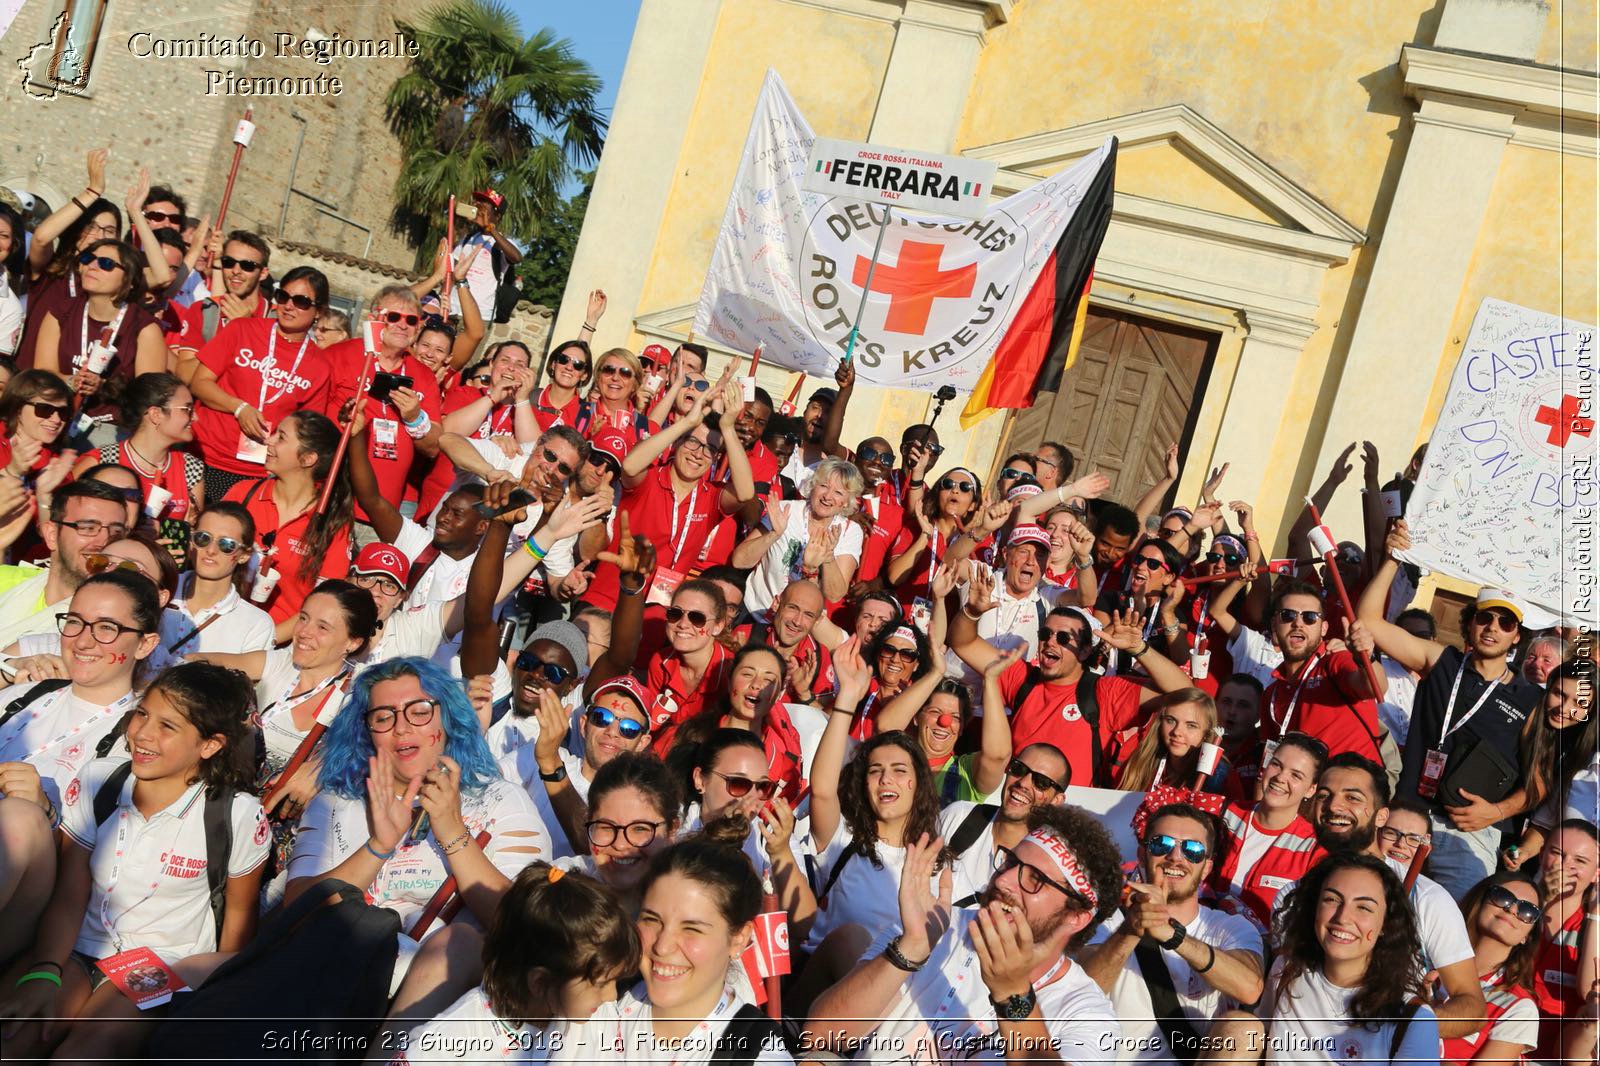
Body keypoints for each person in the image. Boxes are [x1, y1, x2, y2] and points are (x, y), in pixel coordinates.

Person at [0, 662, 267, 1060]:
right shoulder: (99, 780)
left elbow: (238, 927)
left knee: (86, 1052)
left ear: (210, 745)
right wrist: (44, 971)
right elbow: (71, 894)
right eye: (142, 714)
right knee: (14, 1037)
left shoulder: (238, 814)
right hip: (75, 950)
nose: (142, 734)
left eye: (168, 726)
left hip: (164, 963)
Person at [284, 656, 547, 988]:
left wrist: (453, 833)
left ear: (448, 718)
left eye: (420, 711)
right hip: (326, 983)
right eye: (383, 717)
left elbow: (527, 930)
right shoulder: (336, 802)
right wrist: (377, 848)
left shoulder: (499, 800)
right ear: (366, 732)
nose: (402, 727)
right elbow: (294, 915)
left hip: (438, 1003)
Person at [805, 806, 1125, 1064]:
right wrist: (909, 950)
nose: (1004, 881)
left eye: (1035, 879)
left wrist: (1014, 996)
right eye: (1011, 862)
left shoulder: (1084, 1012)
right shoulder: (937, 925)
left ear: (1077, 917)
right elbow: (820, 1037)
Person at [1360, 524, 1542, 895]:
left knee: (1452, 930)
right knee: (1382, 910)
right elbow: (1369, 623)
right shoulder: (1440, 660)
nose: (1493, 628)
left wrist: (1498, 812)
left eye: (1505, 622)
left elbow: (1542, 780)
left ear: (1516, 635)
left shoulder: (1531, 699)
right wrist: (1393, 559)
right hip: (1408, 816)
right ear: (1471, 621)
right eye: (1485, 617)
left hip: (1470, 832)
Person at [0, 571, 162, 964]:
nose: (83, 640)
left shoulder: (139, 738)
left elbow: (104, 864)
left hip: (35, 900)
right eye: (74, 621)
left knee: (19, 819)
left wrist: (46, 810)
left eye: (107, 628)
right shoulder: (22, 695)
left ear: (145, 644)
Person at [794, 639, 949, 1004]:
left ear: (918, 783)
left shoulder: (935, 861)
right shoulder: (842, 838)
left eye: (899, 771)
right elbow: (823, 791)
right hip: (821, 997)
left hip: (899, 1010)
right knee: (852, 939)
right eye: (875, 771)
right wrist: (847, 698)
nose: (886, 780)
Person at [557, 835, 791, 1065]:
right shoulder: (593, 1005)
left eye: (692, 929)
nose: (662, 945)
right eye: (651, 919)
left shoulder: (755, 1058)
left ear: (739, 939)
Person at [1308, 754, 1486, 1037]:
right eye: (1324, 795)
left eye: (1352, 797)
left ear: (1381, 816)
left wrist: (1401, 1022)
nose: (1334, 805)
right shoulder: (1298, 891)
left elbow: (1472, 1009)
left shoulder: (1427, 898)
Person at [390, 862, 639, 1064]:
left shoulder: (589, 1019)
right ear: (539, 981)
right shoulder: (447, 1046)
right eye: (601, 984)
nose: (610, 997)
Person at [1081, 803, 1267, 1064]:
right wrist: (1132, 930)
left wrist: (1172, 934)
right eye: (1162, 844)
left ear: (1207, 867)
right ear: (1142, 854)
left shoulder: (1230, 926)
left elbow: (1250, 988)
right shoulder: (1107, 922)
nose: (1176, 857)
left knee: (1244, 1030)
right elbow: (1078, 991)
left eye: (1192, 850)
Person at [947, 600, 1193, 789]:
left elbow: (1187, 695)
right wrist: (971, 612)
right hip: (1017, 799)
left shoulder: (1104, 692)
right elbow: (963, 643)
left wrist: (1140, 649)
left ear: (1085, 651)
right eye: (1045, 635)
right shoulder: (1022, 678)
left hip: (1072, 817)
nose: (1050, 642)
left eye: (1064, 638)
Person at [1259, 853, 1440, 1065]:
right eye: (1331, 899)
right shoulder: (1286, 971)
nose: (1343, 917)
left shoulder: (1413, 1017)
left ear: (1386, 924)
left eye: (1363, 907)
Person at [186, 266, 332, 501]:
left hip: (258, 473)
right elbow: (200, 383)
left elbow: (305, 431)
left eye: (301, 301)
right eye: (283, 297)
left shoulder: (320, 365)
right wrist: (239, 408)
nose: (289, 306)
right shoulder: (242, 329)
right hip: (203, 454)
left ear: (319, 311)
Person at [322, 285, 444, 547]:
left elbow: (433, 446)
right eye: (393, 317)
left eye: (411, 320)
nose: (403, 325)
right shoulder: (339, 355)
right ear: (374, 317)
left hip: (382, 512)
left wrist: (414, 417)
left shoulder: (423, 376)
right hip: (331, 498)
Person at [223, 410, 353, 638]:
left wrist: (264, 641)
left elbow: (323, 602)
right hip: (222, 625)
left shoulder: (332, 524)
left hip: (278, 643)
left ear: (308, 458)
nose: (268, 440)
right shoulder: (242, 493)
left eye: (280, 437)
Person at [30, 238, 168, 442]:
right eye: (88, 259)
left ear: (129, 280)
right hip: (57, 417)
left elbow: (149, 398)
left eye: (106, 264)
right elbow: (42, 372)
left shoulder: (145, 328)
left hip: (111, 427)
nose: (92, 266)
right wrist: (71, 380)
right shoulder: (61, 312)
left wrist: (103, 386)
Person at [1257, 578, 1386, 765]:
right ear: (1274, 624)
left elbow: (1374, 688)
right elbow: (1268, 760)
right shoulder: (1271, 694)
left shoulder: (1335, 660)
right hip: (1303, 790)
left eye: (1309, 617)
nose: (1298, 624)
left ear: (1324, 628)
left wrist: (1365, 657)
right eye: (1288, 615)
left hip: (1349, 788)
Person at [662, 644, 809, 806]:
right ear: (730, 680)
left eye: (768, 680)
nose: (757, 684)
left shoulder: (783, 765)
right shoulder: (686, 736)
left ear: (780, 692)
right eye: (747, 674)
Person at [937, 732, 1070, 906]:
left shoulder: (1053, 863)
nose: (1023, 783)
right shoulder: (958, 816)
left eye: (1041, 782)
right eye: (1018, 769)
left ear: (1056, 800)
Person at [1210, 732, 1326, 924]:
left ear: (1311, 789)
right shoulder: (1223, 812)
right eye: (1276, 765)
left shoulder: (1313, 849)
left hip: (1261, 951)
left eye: (1296, 775)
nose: (1280, 777)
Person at [0, 480, 130, 650]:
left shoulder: (124, 615)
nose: (104, 541)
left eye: (116, 532)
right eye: (88, 527)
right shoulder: (7, 581)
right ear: (52, 535)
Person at [76, 372, 203, 539]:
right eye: (187, 409)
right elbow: (74, 523)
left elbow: (192, 536)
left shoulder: (191, 468)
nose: (195, 417)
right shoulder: (101, 462)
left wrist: (164, 535)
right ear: (155, 414)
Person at [556, 751, 682, 914]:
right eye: (606, 827)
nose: (621, 845)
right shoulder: (560, 886)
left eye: (640, 828)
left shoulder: (692, 900)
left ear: (672, 830)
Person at [1439, 872, 1545, 1065]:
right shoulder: (1427, 957)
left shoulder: (1519, 1008)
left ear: (1527, 936)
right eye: (1503, 897)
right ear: (1480, 900)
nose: (1512, 909)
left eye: (1527, 911)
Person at [736, 457, 863, 612]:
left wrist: (828, 557)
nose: (827, 496)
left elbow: (834, 595)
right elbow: (739, 561)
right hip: (755, 610)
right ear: (813, 486)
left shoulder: (850, 531)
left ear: (846, 501)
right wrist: (773, 535)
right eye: (823, 486)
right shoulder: (786, 510)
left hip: (798, 624)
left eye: (838, 492)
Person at [1506, 658, 1597, 867]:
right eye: (1559, 694)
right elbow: (1544, 822)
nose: (1565, 708)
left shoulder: (1585, 756)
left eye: (1579, 703)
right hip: (1502, 832)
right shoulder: (1522, 722)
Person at [159, 502, 274, 662]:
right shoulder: (158, 587)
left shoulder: (257, 624)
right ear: (191, 540)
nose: (211, 550)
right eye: (202, 538)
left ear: (244, 555)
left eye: (226, 544)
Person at [1529, 819, 1600, 1061]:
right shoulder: (1513, 897)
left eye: (1580, 861)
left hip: (1560, 1049)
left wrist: (1595, 916)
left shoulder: (1593, 924)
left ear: (1596, 873)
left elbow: (1587, 991)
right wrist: (1540, 900)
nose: (1564, 866)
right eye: (1557, 853)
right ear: (1541, 855)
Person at [165, 230, 271, 367]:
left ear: (263, 273)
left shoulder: (276, 319)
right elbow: (184, 373)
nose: (236, 271)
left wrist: (247, 330)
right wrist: (233, 333)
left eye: (247, 266)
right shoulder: (203, 310)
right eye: (228, 262)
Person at [1116, 688, 1236, 797]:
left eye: (1191, 726)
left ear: (1206, 734)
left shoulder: (1221, 775)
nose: (1177, 732)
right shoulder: (1141, 761)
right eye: (1171, 720)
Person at [0, 368, 72, 477]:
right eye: (44, 409)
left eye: (63, 412)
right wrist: (11, 472)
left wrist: (44, 494)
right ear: (18, 408)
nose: (56, 420)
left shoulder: (58, 465)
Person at [533, 339, 592, 431]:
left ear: (584, 375)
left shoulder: (587, 415)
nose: (569, 367)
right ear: (553, 365)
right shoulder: (528, 399)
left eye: (578, 365)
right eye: (563, 359)